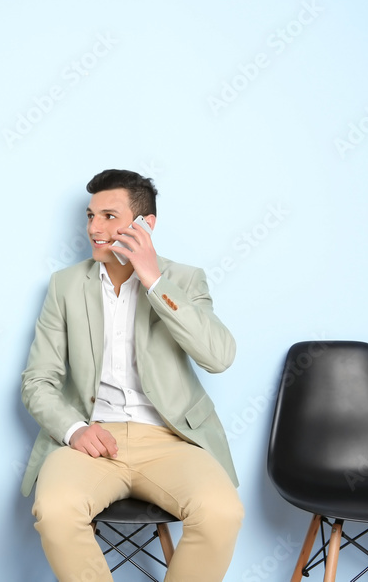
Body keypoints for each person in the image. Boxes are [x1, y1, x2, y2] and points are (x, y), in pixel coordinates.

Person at [20, 169, 243, 582]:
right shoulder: (65, 285)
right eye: (90, 216)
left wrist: (153, 278)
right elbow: (38, 380)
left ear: (146, 224)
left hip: (169, 439)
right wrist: (73, 431)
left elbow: (219, 357)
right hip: (91, 438)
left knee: (222, 512)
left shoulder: (185, 280)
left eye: (108, 216)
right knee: (55, 512)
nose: (94, 228)